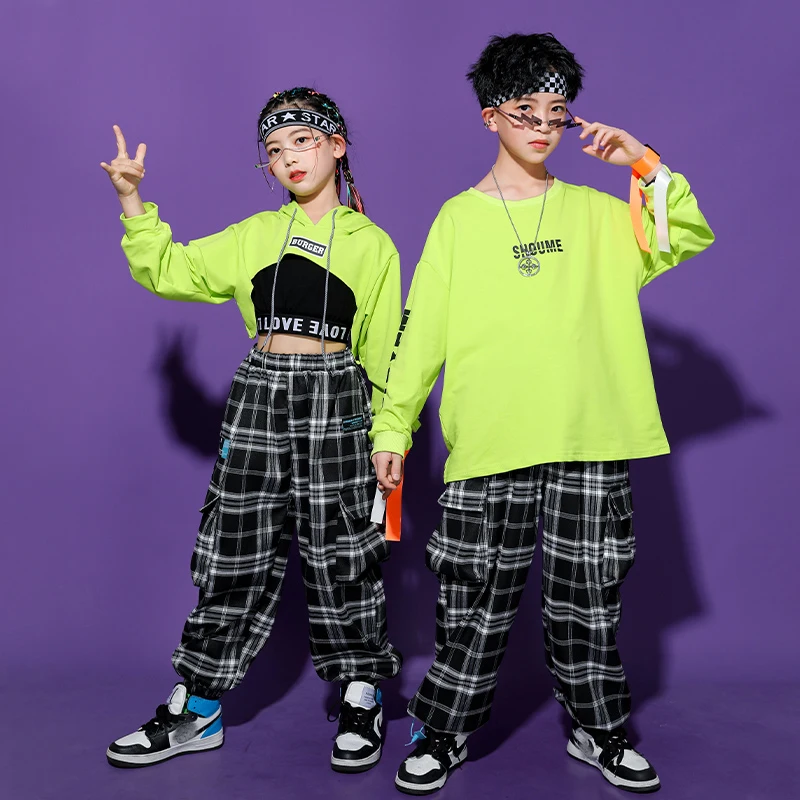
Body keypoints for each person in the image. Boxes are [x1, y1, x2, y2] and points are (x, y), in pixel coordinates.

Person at [370, 33, 714, 795]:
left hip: (591, 438)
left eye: (556, 111)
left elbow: (682, 235)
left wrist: (642, 163)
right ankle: (444, 729)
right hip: (490, 440)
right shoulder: (458, 220)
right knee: (472, 599)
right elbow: (420, 333)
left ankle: (598, 727)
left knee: (589, 599)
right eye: (525, 109)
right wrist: (393, 426)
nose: (542, 125)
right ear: (490, 116)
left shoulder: (598, 213)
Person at [101, 87, 403, 772]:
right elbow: (169, 269)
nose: (288, 157)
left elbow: (388, 352)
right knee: (233, 547)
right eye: (273, 149)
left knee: (344, 551)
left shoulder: (373, 245)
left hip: (338, 396)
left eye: (302, 140)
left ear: (336, 145)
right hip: (260, 394)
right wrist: (131, 199)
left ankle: (360, 694)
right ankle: (199, 707)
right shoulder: (253, 236)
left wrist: (391, 435)